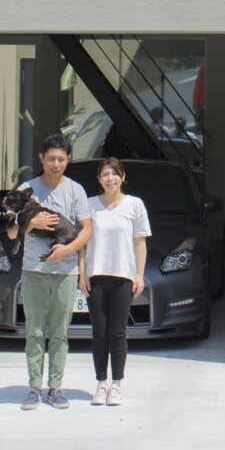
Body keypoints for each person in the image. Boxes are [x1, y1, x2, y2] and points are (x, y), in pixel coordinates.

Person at [7, 132, 93, 411]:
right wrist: (31, 224)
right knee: (33, 330)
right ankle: (34, 387)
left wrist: (67, 251)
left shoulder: (75, 190)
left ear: (67, 161)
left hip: (65, 272)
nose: (56, 164)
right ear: (41, 159)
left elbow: (87, 230)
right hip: (34, 269)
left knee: (59, 332)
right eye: (51, 159)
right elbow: (11, 233)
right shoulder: (25, 189)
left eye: (61, 159)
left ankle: (55, 387)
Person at [79, 156, 150, 406]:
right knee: (99, 333)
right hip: (96, 276)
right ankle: (101, 383)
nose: (111, 179)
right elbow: (82, 243)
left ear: (123, 177)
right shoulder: (89, 205)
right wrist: (82, 273)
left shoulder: (135, 205)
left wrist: (139, 274)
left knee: (118, 333)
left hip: (123, 277)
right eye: (105, 174)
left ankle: (116, 384)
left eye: (115, 174)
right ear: (99, 179)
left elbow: (140, 242)